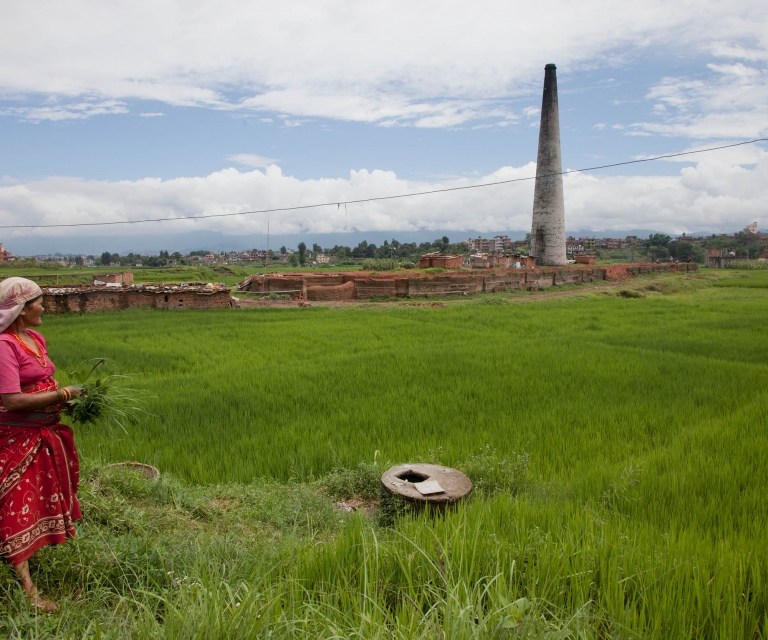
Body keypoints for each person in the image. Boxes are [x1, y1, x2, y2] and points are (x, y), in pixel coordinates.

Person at [0, 277, 82, 612]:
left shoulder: (34, 337)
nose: (44, 307)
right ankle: (30, 595)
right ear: (22, 309)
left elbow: (43, 380)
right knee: (15, 507)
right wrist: (64, 394)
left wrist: (62, 400)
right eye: (39, 302)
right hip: (15, 436)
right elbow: (12, 399)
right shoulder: (4, 346)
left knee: (30, 505)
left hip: (43, 433)